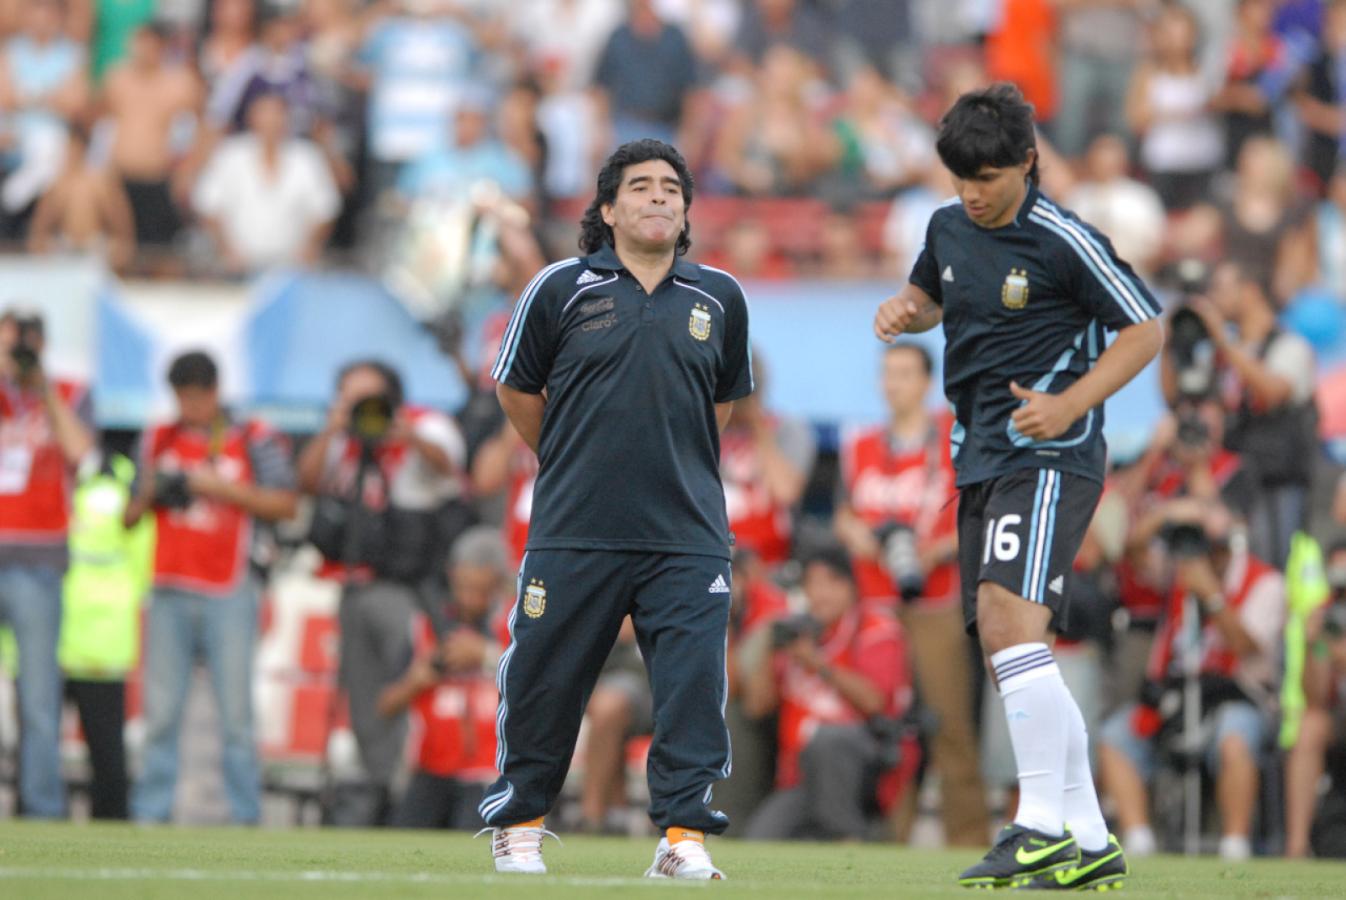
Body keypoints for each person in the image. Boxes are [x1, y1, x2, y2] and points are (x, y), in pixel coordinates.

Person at [872, 83, 1164, 890]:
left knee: (1008, 623)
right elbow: (937, 295)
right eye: (962, 178)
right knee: (1011, 642)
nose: (973, 193)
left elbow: (1147, 323)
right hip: (980, 454)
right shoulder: (945, 226)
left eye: (989, 179)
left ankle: (1036, 826)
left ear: (1029, 164)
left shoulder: (1063, 237)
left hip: (1052, 452)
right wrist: (909, 307)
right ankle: (1089, 835)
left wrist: (1071, 401)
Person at [483, 138, 752, 878]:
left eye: (672, 187)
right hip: (576, 525)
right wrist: (574, 459)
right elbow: (515, 390)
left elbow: (719, 408)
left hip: (688, 534)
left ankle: (681, 842)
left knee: (693, 690)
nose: (660, 197)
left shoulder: (721, 297)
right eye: (641, 186)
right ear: (607, 208)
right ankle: (521, 824)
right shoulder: (558, 287)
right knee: (545, 677)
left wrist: (673, 470)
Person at [125, 351, 297, 824]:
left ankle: (245, 816)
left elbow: (286, 503)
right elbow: (129, 516)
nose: (190, 408)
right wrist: (154, 490)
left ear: (216, 392)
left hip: (230, 589)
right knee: (160, 712)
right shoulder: (159, 436)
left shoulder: (253, 437)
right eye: (181, 398)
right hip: (169, 586)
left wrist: (219, 489)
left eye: (198, 398)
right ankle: (150, 813)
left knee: (237, 715)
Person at [295, 358, 467, 826]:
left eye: (368, 398)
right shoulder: (345, 442)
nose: (360, 408)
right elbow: (305, 482)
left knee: (412, 685)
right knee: (365, 695)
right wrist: (335, 429)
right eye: (350, 398)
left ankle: (413, 787)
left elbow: (449, 465)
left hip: (411, 592)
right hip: (356, 585)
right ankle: (376, 788)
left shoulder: (425, 425)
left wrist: (402, 433)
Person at [834, 341, 989, 847]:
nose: (893, 383)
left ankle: (967, 838)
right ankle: (886, 837)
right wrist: (854, 533)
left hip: (935, 602)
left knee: (949, 725)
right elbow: (843, 510)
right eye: (887, 373)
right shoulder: (860, 443)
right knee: (886, 728)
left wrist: (938, 550)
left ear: (926, 382)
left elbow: (979, 512)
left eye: (904, 373)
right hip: (876, 607)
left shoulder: (955, 437)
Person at [1098, 502, 1284, 861]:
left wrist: (1211, 596)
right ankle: (1138, 838)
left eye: (1211, 545)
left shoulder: (1265, 581)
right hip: (1178, 696)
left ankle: (1235, 843)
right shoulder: (1179, 572)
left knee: (1235, 735)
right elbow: (1134, 550)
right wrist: (1169, 515)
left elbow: (1247, 647)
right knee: (1115, 737)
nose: (1202, 555)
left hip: (1238, 695)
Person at [740, 545, 913, 841]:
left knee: (828, 738)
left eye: (832, 582)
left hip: (862, 767)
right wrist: (767, 650)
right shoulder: (796, 633)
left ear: (851, 586)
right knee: (760, 839)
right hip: (800, 779)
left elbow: (875, 702)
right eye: (812, 583)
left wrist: (817, 664)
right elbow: (757, 708)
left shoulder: (874, 626)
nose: (821, 593)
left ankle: (848, 838)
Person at [0, 309, 94, 818]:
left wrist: (43, 391)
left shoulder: (70, 391)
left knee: (39, 699)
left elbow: (82, 451)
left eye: (26, 344)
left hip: (37, 562)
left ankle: (41, 809)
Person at [380, 527, 510, 830]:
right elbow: (385, 704)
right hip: (429, 769)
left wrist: (488, 655)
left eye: (479, 590)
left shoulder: (514, 626)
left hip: (490, 772)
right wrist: (418, 679)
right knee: (402, 843)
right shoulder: (426, 626)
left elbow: (543, 685)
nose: (468, 599)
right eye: (462, 587)